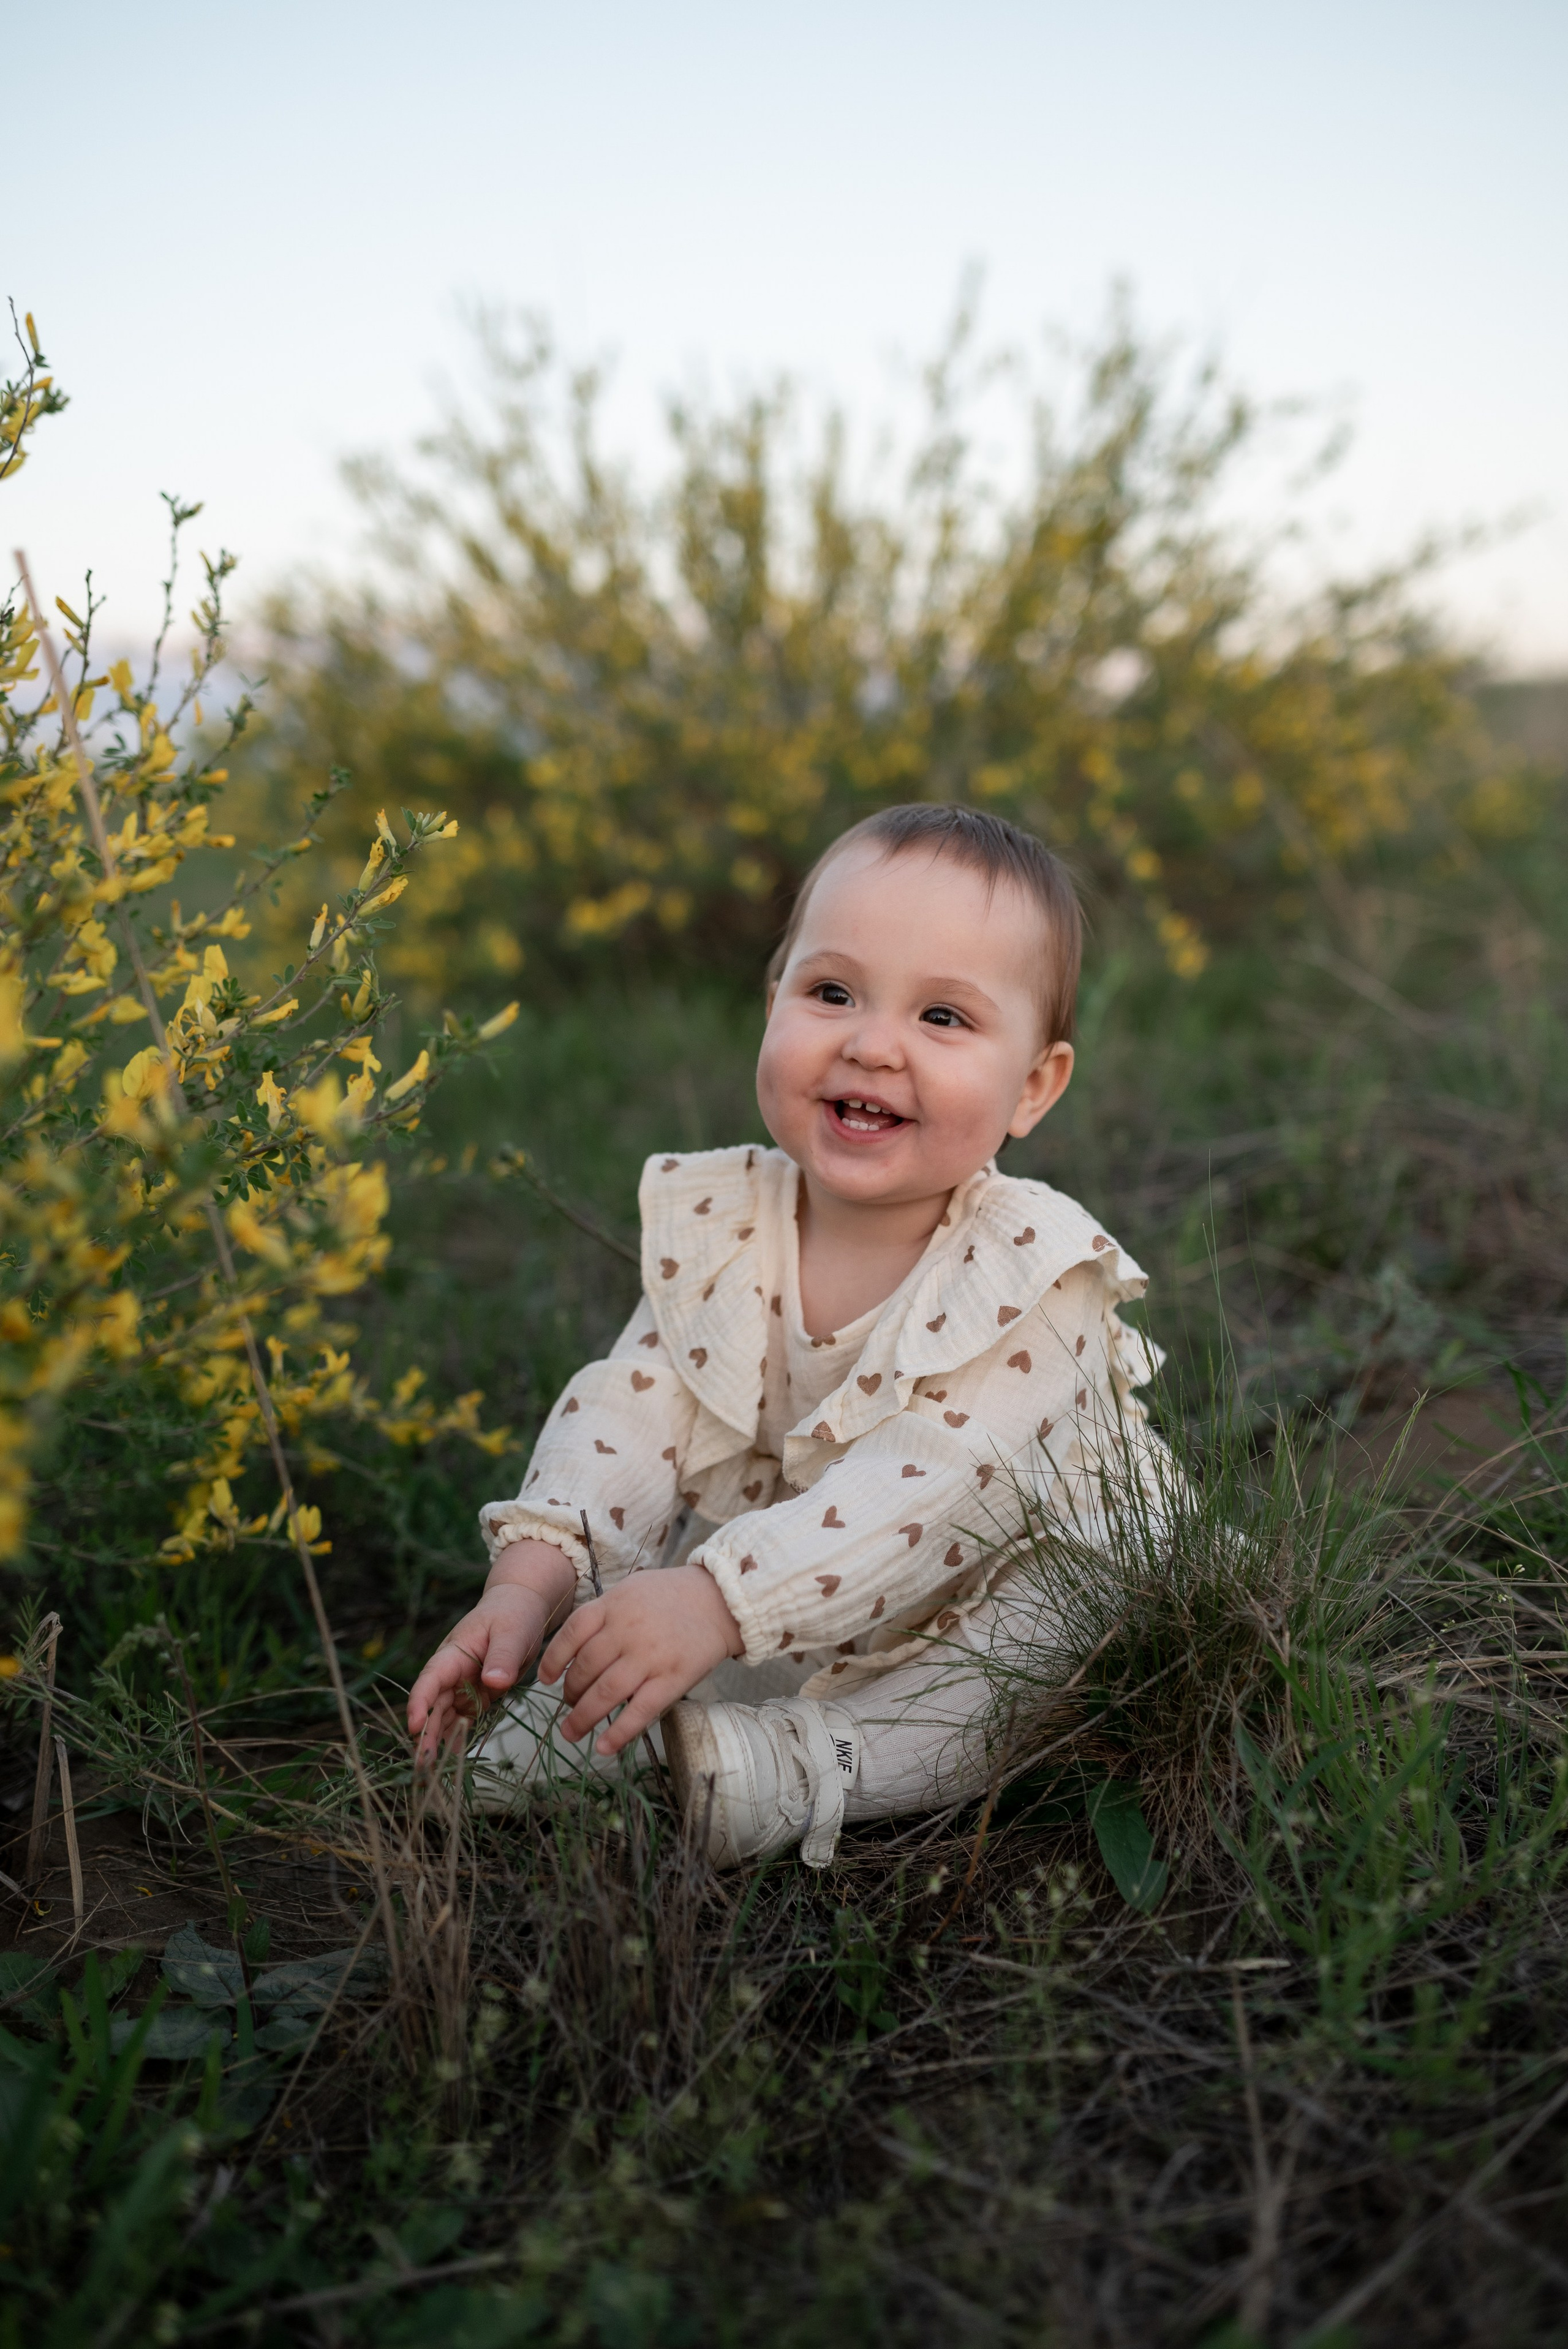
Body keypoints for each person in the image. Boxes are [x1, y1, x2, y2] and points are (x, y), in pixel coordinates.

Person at [406, 804, 1168, 1868]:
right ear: (774, 1006)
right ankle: (593, 1713)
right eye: (832, 993)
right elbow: (638, 1401)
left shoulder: (1034, 1268)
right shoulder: (727, 1223)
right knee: (667, 1589)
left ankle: (807, 1766)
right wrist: (535, 1574)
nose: (871, 1043)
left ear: (1033, 1086)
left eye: (943, 1018)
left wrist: (720, 1600)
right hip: (797, 1569)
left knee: (1037, 1649)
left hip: (994, 1571)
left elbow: (929, 1484)